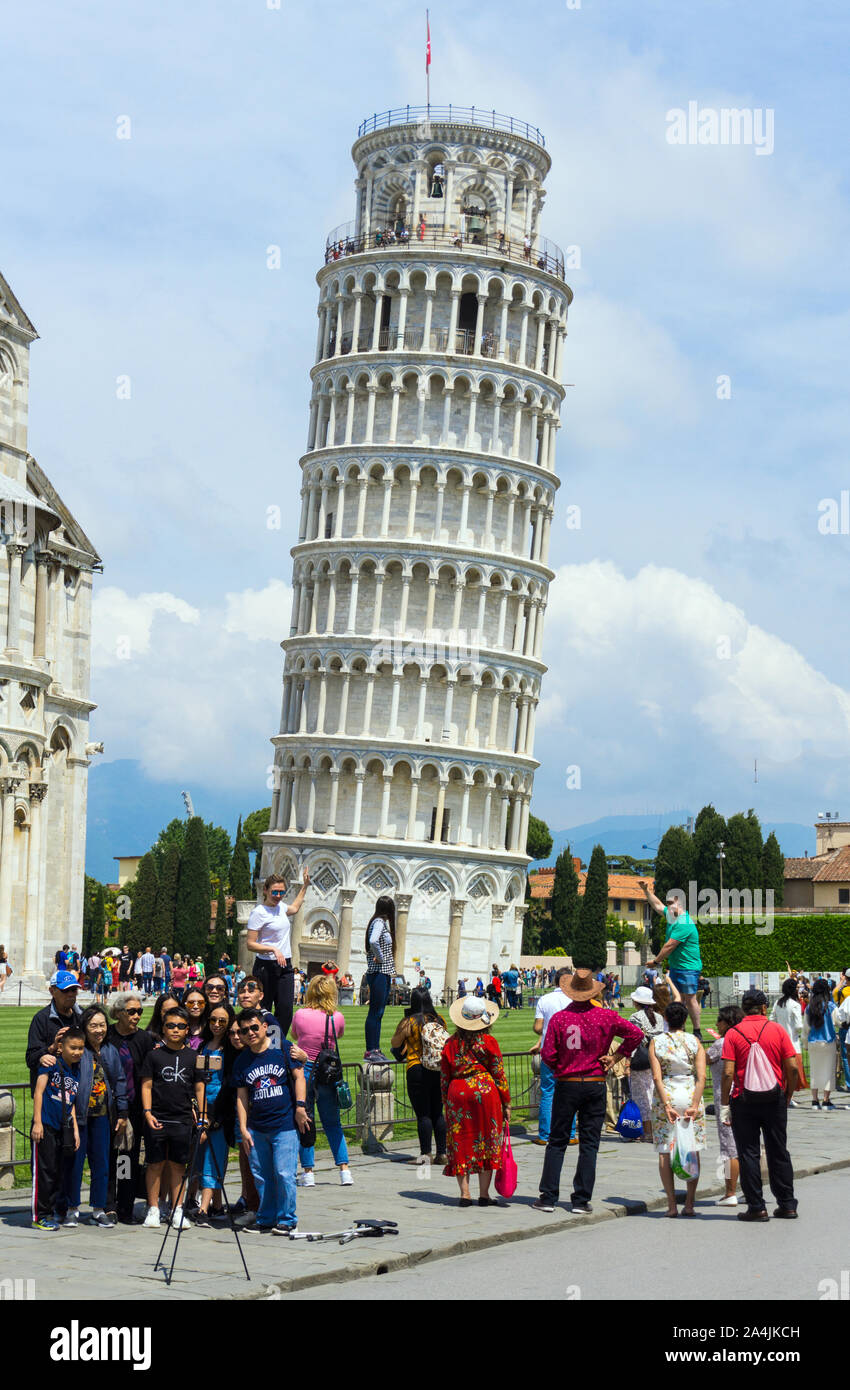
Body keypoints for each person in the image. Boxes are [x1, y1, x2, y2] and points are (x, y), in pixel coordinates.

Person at [533, 969, 643, 1215]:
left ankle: (548, 1197)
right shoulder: (606, 1016)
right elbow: (636, 1034)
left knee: (557, 1141)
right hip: (594, 1082)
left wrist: (563, 1066)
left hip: (568, 1081)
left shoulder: (560, 1019)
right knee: (590, 1143)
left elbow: (548, 1054)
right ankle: (581, 1200)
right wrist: (615, 1057)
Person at [720, 989, 798, 1221]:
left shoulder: (734, 1034)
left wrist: (725, 1102)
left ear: (744, 1009)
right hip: (774, 1097)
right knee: (778, 1151)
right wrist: (787, 1093)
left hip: (744, 1099)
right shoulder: (777, 1030)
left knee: (748, 1153)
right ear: (764, 1008)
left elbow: (728, 1072)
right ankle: (787, 1204)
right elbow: (792, 1068)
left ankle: (757, 1206)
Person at [234, 1007, 310, 1234]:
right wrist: (243, 1128)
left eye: (254, 1027)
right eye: (245, 1030)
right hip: (257, 1126)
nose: (250, 1033)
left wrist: (300, 1106)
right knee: (262, 1175)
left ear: (265, 1027)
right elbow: (241, 1096)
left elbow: (299, 1077)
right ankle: (266, 1217)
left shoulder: (283, 1049)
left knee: (285, 1174)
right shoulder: (242, 1060)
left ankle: (287, 1219)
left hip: (284, 1124)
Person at [441, 996, 510, 1207]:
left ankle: (465, 1193)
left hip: (458, 1092)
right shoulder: (489, 1042)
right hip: (485, 1092)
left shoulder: (451, 1043)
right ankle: (484, 1194)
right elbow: (498, 1073)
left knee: (461, 1141)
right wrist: (506, 1102)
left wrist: (446, 1101)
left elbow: (444, 1077)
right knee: (487, 1140)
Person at [67, 1004, 128, 1227]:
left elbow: (119, 1081)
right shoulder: (79, 1050)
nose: (99, 1030)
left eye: (102, 1025)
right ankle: (72, 1207)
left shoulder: (110, 1050)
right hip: (80, 1114)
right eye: (94, 1025)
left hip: (103, 1115)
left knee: (101, 1163)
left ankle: (99, 1207)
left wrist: (122, 1111)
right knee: (75, 1161)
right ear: (85, 1026)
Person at [291, 975, 353, 1186]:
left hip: (306, 1070)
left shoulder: (300, 1014)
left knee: (305, 1121)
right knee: (333, 1123)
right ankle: (344, 1170)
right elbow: (340, 1035)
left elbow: (295, 1034)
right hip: (328, 1071)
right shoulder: (337, 1017)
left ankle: (308, 1172)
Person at [140, 1006, 197, 1229]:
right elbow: (146, 1085)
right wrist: (147, 1112)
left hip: (182, 1118)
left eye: (180, 1026)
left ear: (187, 1029)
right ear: (163, 1028)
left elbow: (199, 1088)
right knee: (154, 1164)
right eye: (170, 1026)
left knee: (177, 1166)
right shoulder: (154, 1055)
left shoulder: (193, 1056)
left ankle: (177, 1209)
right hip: (158, 1116)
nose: (175, 1030)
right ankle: (153, 1208)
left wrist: (201, 1116)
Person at [649, 1001, 707, 1216]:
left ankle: (672, 1205)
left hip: (668, 1091)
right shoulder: (695, 1041)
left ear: (665, 1019)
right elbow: (701, 1076)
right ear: (685, 1020)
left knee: (665, 1150)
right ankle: (690, 1203)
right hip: (690, 1091)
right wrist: (694, 1104)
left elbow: (656, 1076)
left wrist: (665, 1104)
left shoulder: (656, 1041)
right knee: (692, 1146)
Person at [30, 1026, 84, 1230]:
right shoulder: (51, 1063)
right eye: (73, 1047)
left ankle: (51, 1211)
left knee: (56, 1170)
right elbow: (38, 1092)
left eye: (80, 1048)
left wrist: (76, 1130)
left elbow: (70, 1102)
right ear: (61, 1047)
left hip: (63, 1127)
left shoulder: (76, 1069)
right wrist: (37, 1122)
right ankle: (39, 1215)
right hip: (45, 1125)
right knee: (43, 1171)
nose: (77, 1052)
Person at [246, 869, 311, 1036]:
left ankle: (276, 1044)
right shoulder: (259, 912)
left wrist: (304, 886)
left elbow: (295, 908)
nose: (278, 896)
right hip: (265, 966)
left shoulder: (281, 907)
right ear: (265, 890)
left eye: (282, 892)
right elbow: (250, 944)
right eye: (275, 892)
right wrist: (273, 948)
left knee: (285, 1009)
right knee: (263, 1008)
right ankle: (261, 1044)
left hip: (285, 965)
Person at [390, 987, 448, 1166]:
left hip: (417, 1068)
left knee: (423, 1114)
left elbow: (395, 1043)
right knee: (438, 1112)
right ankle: (442, 1154)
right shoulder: (440, 1019)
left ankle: (425, 1155)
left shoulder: (409, 1022)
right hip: (438, 1069)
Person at [641, 882, 703, 1039]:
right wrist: (646, 891)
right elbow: (657, 905)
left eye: (671, 904)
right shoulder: (672, 916)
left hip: (688, 967)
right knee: (677, 1000)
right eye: (668, 903)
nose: (667, 907)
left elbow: (669, 946)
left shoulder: (684, 923)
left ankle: (697, 1031)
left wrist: (655, 962)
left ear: (679, 904)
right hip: (676, 967)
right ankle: (677, 1028)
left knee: (690, 998)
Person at [194, 1002, 237, 1225]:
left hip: (221, 1111)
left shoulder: (231, 1048)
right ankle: (217, 1205)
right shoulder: (203, 1045)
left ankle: (203, 1208)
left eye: (222, 1021)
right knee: (202, 1157)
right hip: (202, 1108)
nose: (217, 1025)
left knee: (214, 1156)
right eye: (213, 1020)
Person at [531, 967, 573, 1146]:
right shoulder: (574, 999)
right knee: (570, 1093)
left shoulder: (545, 999)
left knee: (548, 1092)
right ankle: (570, 1134)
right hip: (570, 1050)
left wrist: (548, 1029)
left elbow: (537, 1027)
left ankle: (545, 1134)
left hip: (550, 1049)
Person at [706, 1005, 744, 1206]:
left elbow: (704, 1059)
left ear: (727, 1022)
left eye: (719, 1020)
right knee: (747, 1145)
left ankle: (730, 1191)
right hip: (747, 1096)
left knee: (729, 1147)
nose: (716, 1024)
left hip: (726, 1099)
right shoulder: (744, 1038)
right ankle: (750, 1187)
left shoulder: (721, 1043)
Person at [25, 970, 84, 1093]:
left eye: (74, 990)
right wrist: (51, 1048)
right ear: (52, 991)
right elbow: (31, 1058)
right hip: (50, 1095)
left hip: (78, 1091)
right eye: (65, 990)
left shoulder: (83, 1016)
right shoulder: (41, 1018)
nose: (70, 994)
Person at [626, 985, 664, 1142]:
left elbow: (633, 1041)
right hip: (656, 1059)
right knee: (653, 1095)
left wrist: (627, 1061)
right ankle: (656, 1130)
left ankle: (647, 1132)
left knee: (641, 1097)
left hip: (640, 1060)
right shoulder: (659, 1017)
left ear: (636, 1001)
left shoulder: (635, 1017)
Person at [364, 895, 397, 1063]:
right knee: (375, 1012)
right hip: (379, 971)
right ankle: (371, 1049)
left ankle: (375, 1048)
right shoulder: (379, 923)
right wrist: (381, 958)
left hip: (381, 972)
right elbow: (373, 940)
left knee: (378, 1013)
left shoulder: (377, 922)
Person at [803, 977, 838, 1109]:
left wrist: (805, 1044)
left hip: (813, 1042)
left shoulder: (809, 1007)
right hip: (828, 1042)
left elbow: (806, 1028)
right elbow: (838, 1021)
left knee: (815, 1071)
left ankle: (814, 1100)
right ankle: (826, 1100)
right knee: (829, 1071)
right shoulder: (830, 1006)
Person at [770, 978, 805, 1104]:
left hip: (779, 1042)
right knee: (793, 1072)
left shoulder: (778, 1003)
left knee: (782, 1071)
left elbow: (772, 1019)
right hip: (792, 1042)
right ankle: (789, 1096)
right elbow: (799, 1025)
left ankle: (784, 1094)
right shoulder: (795, 1005)